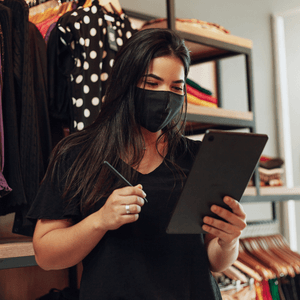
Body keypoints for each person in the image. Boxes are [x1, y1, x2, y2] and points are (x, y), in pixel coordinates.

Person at [27, 28, 247, 300]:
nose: (166, 95)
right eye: (152, 83)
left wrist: (229, 240)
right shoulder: (76, 154)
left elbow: (214, 260)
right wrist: (100, 220)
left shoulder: (200, 157)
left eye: (176, 87)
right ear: (126, 82)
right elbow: (46, 255)